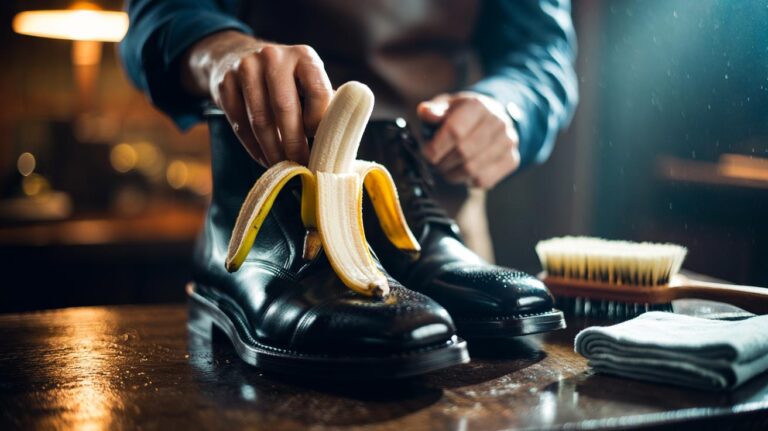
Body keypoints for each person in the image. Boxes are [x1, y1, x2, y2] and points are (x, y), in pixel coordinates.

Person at [121, 0, 578, 377]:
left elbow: (541, 52)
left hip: (433, 196)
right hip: (274, 199)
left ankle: (405, 251)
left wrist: (509, 107)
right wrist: (217, 49)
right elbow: (158, 11)